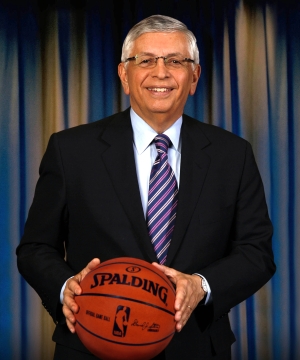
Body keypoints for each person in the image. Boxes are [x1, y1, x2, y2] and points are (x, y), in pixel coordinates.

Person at [16, 14, 276, 360]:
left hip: (196, 348)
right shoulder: (71, 150)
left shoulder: (233, 154)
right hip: (92, 346)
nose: (161, 73)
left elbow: (256, 253)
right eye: (146, 60)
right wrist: (68, 289)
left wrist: (200, 286)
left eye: (175, 61)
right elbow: (34, 248)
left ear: (194, 76)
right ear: (125, 75)